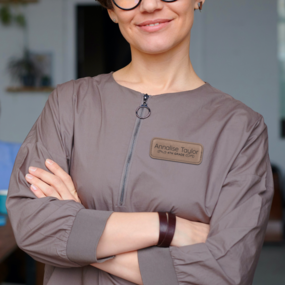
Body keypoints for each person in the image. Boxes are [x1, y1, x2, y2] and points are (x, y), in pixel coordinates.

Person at [6, 0, 274, 284]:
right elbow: (33, 226)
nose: (149, 5)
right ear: (111, 9)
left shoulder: (241, 128)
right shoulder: (68, 104)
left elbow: (224, 272)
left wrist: (81, 235)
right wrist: (166, 227)